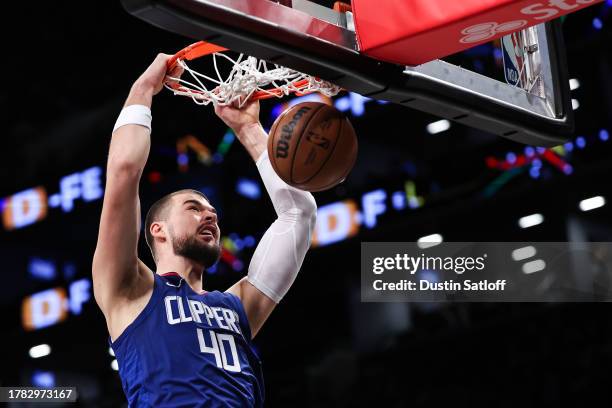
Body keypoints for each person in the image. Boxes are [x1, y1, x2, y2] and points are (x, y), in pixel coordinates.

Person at [92, 53, 317, 407]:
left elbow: (299, 214)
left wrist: (247, 129)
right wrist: (144, 88)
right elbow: (122, 172)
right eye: (194, 209)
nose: (210, 215)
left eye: (212, 211)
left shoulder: (237, 307)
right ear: (158, 230)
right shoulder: (130, 291)